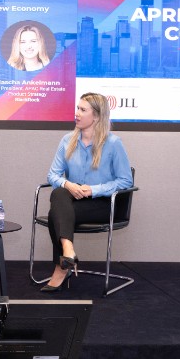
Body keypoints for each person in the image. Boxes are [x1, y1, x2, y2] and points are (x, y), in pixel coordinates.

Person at [42, 92, 133, 292]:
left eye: (83, 110)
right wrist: (68, 185)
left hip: (104, 204)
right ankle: (68, 251)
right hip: (73, 201)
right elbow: (53, 175)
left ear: (97, 116)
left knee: (55, 214)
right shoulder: (67, 140)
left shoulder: (113, 143)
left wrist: (94, 190)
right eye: (77, 108)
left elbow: (126, 180)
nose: (77, 113)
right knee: (59, 193)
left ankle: (61, 266)